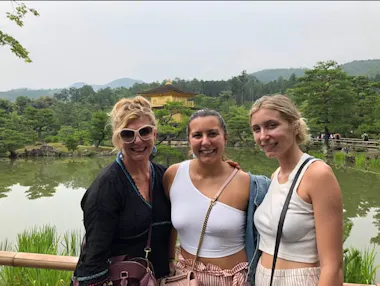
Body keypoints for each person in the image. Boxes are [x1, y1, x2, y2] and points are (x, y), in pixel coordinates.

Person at [71, 96, 173, 285]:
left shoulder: (164, 175)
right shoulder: (107, 186)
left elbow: (199, 185)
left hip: (156, 279)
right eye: (128, 134)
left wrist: (224, 169)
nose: (138, 140)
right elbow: (93, 257)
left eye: (144, 132)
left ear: (155, 134)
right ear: (118, 139)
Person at [163, 109, 270, 285]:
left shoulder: (248, 184)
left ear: (225, 138)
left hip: (232, 279)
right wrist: (169, 260)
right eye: (197, 135)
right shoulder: (173, 175)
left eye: (212, 133)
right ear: (189, 141)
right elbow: (167, 224)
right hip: (186, 277)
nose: (205, 142)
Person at [249, 94, 343, 285]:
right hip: (263, 277)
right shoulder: (276, 175)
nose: (263, 136)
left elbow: (333, 266)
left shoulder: (317, 174)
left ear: (294, 125)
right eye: (256, 129)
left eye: (271, 125)